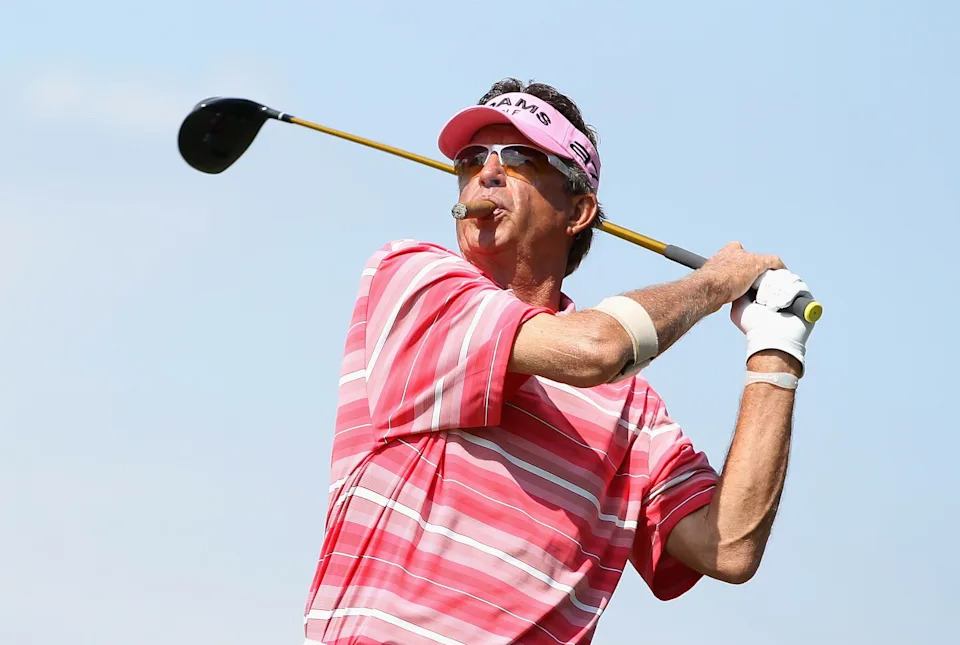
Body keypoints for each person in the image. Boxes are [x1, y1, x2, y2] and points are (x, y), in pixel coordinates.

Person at [302, 78, 816, 644]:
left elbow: (728, 546)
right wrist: (714, 283)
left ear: (579, 211)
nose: (487, 173)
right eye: (472, 159)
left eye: (520, 158)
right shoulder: (412, 281)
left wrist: (776, 353)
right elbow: (596, 349)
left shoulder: (632, 408)